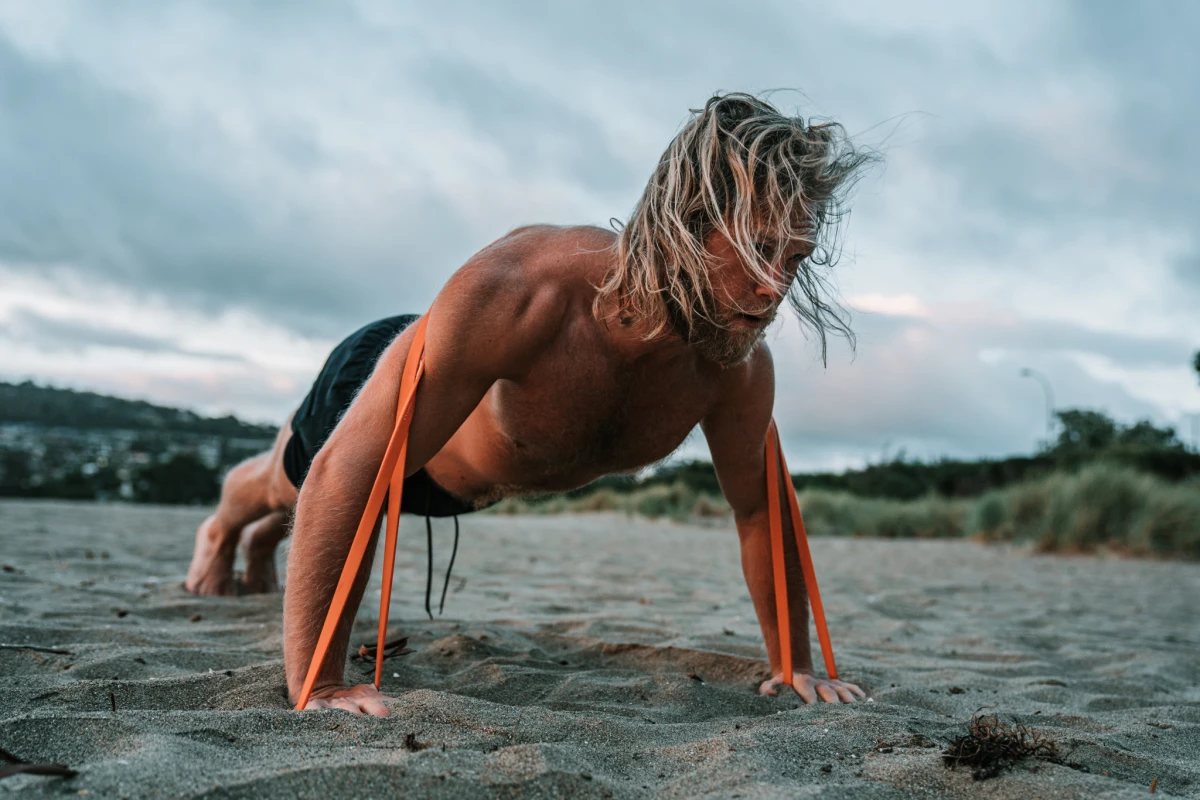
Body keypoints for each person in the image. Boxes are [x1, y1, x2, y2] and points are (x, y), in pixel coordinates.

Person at [185, 92, 874, 715]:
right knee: (282, 483)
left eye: (794, 259)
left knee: (293, 507)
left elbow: (760, 510)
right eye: (758, 250)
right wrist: (322, 683)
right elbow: (346, 474)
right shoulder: (522, 292)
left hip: (470, 487)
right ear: (688, 224)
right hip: (398, 406)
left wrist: (793, 666)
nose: (775, 287)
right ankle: (222, 534)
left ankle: (268, 538)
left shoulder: (735, 367)